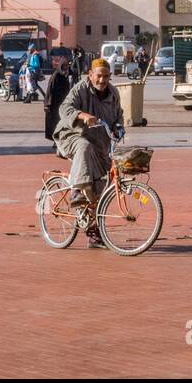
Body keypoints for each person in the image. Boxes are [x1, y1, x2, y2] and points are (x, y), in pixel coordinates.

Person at [52, 58, 125, 248]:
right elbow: (64, 108)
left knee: (99, 187)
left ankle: (93, 233)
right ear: (90, 75)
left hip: (100, 142)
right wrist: (82, 116)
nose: (102, 80)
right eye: (98, 76)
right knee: (84, 146)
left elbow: (119, 115)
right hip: (72, 136)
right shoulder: (80, 89)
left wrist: (119, 127)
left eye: (106, 76)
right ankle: (76, 191)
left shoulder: (113, 93)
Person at [40, 57, 72, 141]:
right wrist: (47, 104)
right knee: (55, 122)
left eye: (66, 65)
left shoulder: (64, 75)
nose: (66, 67)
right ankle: (56, 140)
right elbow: (50, 90)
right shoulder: (56, 76)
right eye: (64, 65)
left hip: (63, 103)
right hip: (55, 104)